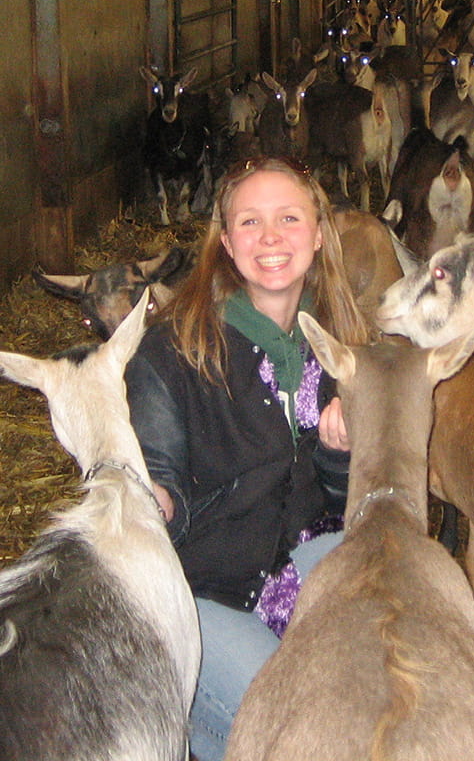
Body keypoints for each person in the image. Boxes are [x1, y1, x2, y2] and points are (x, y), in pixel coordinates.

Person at [125, 157, 375, 760]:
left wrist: (341, 457)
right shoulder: (171, 352)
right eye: (250, 221)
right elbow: (158, 486)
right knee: (293, 719)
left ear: (318, 235)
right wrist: (155, 501)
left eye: (289, 218)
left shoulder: (342, 346)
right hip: (202, 590)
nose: (270, 237)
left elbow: (345, 507)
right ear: (227, 244)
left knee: (395, 683)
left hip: (309, 564)